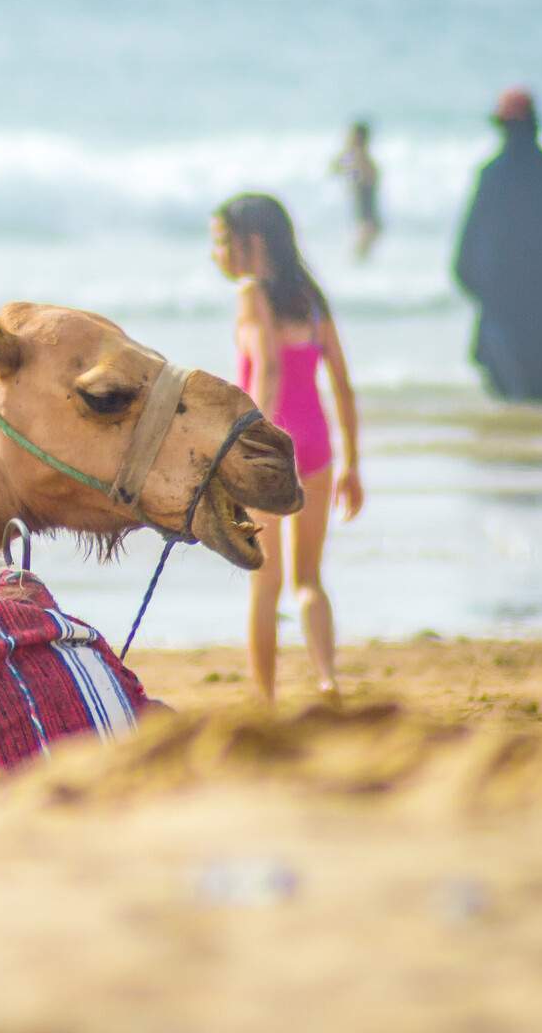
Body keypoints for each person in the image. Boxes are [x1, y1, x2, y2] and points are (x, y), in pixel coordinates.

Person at [210, 193, 363, 702]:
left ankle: (266, 700)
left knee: (264, 583)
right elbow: (341, 382)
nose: (217, 253)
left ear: (251, 243)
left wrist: (250, 442)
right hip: (317, 445)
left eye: (221, 241)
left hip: (274, 446)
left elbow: (268, 368)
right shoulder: (311, 297)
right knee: (309, 580)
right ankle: (326, 678)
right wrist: (353, 466)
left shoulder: (251, 294)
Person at [454, 88, 542, 403]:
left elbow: (463, 262)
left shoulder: (491, 177)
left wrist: (488, 297)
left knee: (512, 407)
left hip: (503, 315)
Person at [330, 119, 382, 260]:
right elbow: (335, 167)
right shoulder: (358, 159)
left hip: (367, 222)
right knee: (360, 262)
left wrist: (347, 153)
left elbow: (336, 168)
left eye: (351, 136)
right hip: (366, 221)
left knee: (359, 261)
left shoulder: (362, 161)